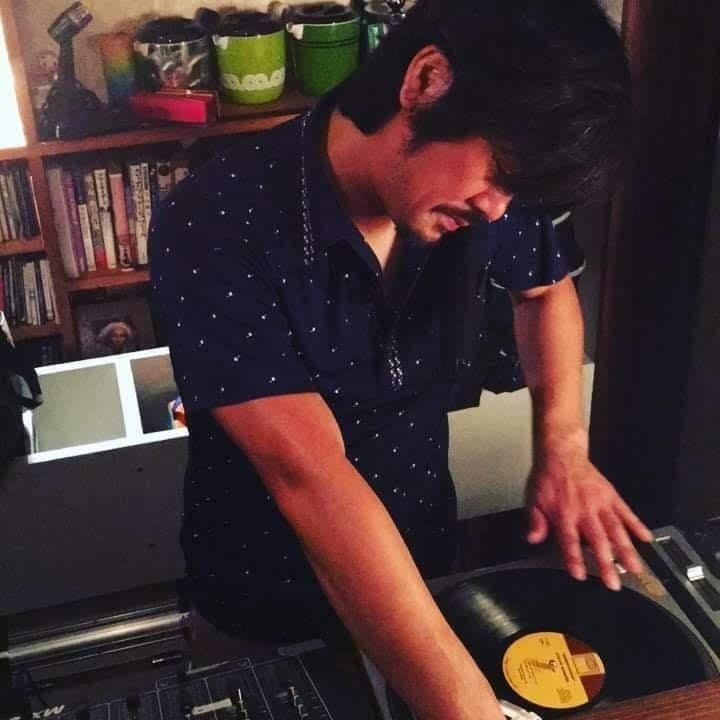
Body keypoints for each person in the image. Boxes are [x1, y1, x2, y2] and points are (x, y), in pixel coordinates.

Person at [150, 2, 653, 718]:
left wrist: (564, 448)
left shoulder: (483, 198)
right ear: (427, 81)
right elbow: (310, 478)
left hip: (428, 570)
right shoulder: (215, 220)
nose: (498, 210)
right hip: (264, 608)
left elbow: (545, 292)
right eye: (500, 172)